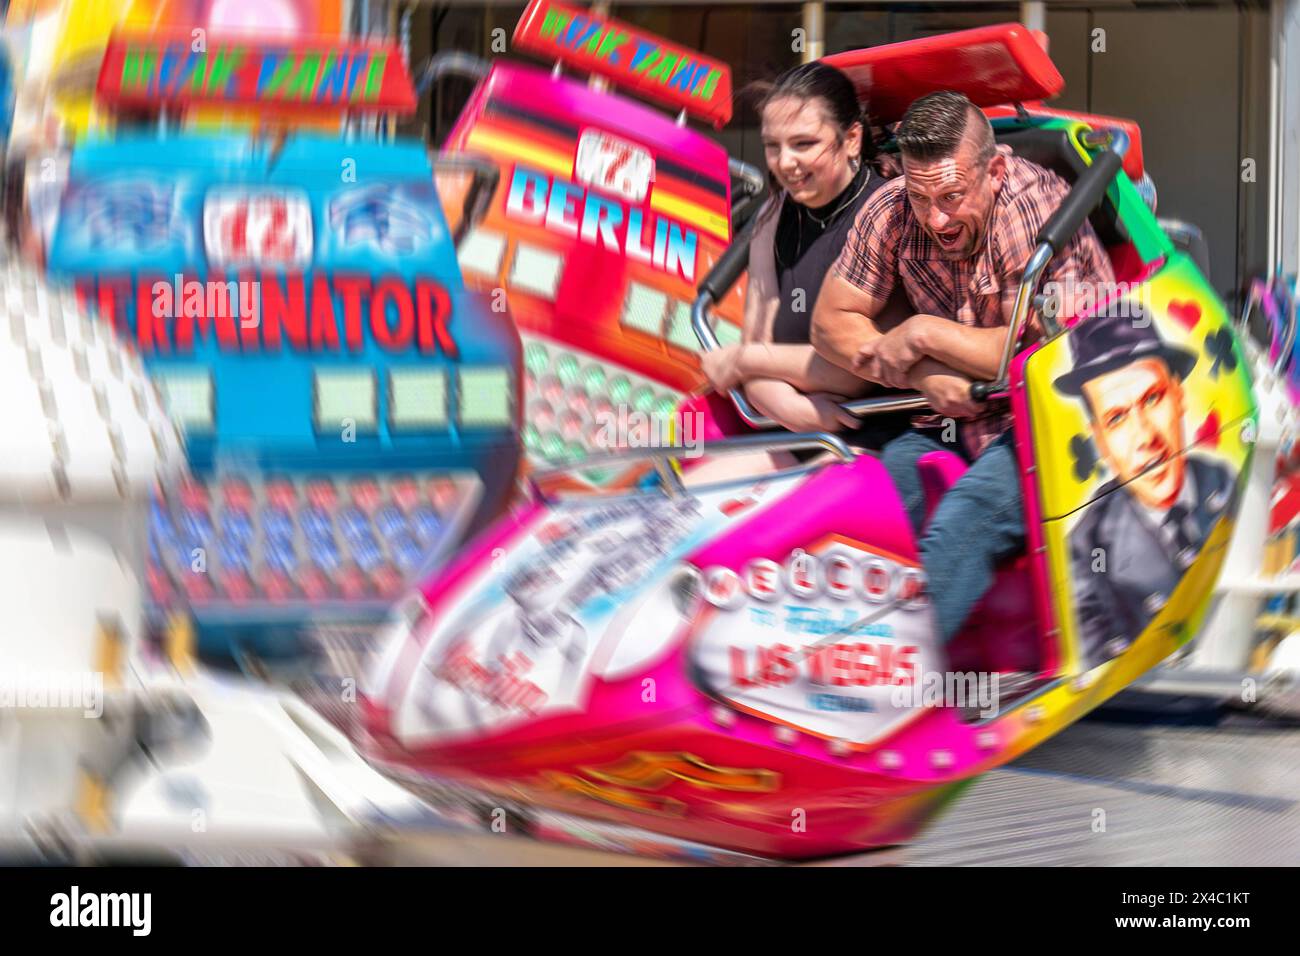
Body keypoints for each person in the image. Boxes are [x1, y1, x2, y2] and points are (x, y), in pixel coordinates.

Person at [811, 90, 1116, 647]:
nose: (937, 218)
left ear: (995, 171)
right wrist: (925, 374)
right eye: (922, 197)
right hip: (956, 420)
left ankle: (892, 685)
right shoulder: (897, 208)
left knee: (965, 520)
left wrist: (923, 334)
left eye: (952, 196)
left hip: (1058, 424)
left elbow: (1037, 354)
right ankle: (815, 662)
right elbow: (830, 324)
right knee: (870, 499)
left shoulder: (1031, 207)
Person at [694, 62, 909, 477]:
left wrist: (742, 361)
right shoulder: (773, 216)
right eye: (773, 146)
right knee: (680, 502)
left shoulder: (888, 214)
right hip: (792, 428)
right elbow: (757, 345)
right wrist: (792, 408)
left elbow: (855, 369)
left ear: (850, 139)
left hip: (873, 439)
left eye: (804, 144)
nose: (785, 163)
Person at [1054, 309, 1235, 667]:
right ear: (1100, 440)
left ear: (1179, 396)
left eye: (1152, 399)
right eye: (1117, 419)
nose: (1145, 438)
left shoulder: (1229, 482)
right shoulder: (1083, 551)